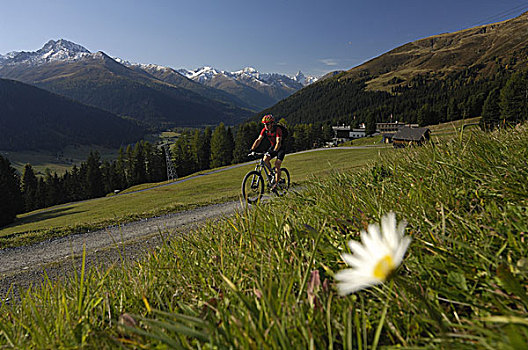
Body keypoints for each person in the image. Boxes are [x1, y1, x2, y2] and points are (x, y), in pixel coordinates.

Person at [250, 114, 285, 191]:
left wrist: (275, 150)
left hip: (281, 148)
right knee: (265, 159)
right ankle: (270, 174)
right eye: (264, 124)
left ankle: (276, 183)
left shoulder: (277, 130)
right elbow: (258, 140)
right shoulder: (264, 130)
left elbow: (278, 142)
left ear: (272, 124)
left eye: (267, 124)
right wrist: (252, 149)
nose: (265, 126)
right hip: (273, 147)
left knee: (277, 165)